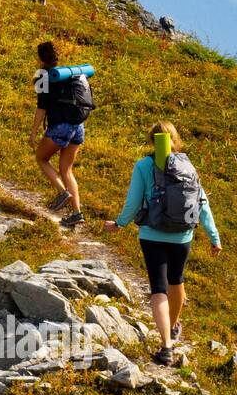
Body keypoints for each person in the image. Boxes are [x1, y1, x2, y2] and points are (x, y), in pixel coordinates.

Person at [104, 121, 223, 366]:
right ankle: (173, 325)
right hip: (183, 236)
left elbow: (134, 201)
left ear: (152, 140)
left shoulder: (144, 166)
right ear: (175, 139)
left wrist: (120, 224)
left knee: (158, 288)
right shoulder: (187, 165)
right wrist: (214, 237)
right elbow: (202, 203)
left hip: (152, 235)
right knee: (176, 281)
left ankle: (166, 345)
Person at [29, 40, 89, 229]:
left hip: (60, 127)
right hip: (78, 126)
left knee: (41, 158)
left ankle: (63, 193)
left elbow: (41, 108)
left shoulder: (42, 76)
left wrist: (33, 134)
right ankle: (77, 214)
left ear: (40, 58)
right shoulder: (68, 74)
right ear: (57, 56)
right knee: (66, 170)